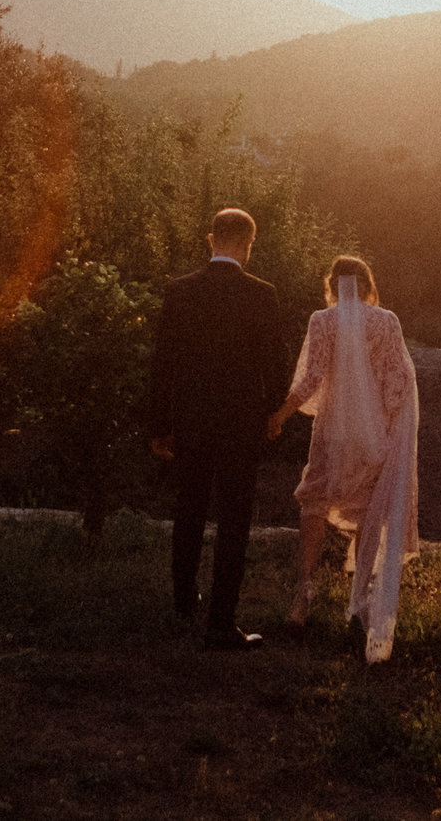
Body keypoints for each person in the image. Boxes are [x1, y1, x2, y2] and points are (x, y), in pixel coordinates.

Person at [148, 207, 287, 650]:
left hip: (190, 419)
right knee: (233, 520)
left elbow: (161, 365)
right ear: (248, 244)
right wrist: (271, 412)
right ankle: (220, 622)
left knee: (188, 511)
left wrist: (160, 424)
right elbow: (275, 365)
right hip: (240, 424)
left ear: (211, 240)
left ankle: (183, 603)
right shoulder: (262, 295)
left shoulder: (179, 292)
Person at [269, 255, 420, 662]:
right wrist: (390, 430)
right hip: (374, 438)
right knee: (366, 508)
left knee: (314, 501)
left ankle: (304, 592)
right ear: (368, 284)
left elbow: (311, 376)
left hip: (333, 433)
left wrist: (281, 414)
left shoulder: (323, 320)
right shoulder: (386, 321)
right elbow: (397, 382)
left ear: (332, 286)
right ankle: (360, 601)